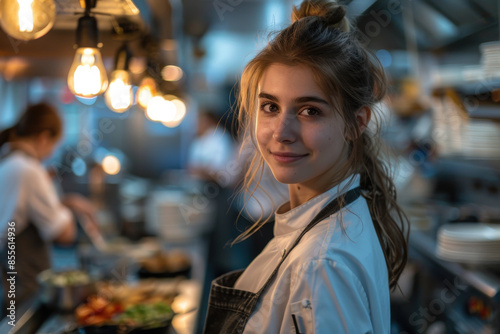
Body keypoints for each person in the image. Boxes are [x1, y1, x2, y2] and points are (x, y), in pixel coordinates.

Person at [203, 1, 409, 333]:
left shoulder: (318, 266)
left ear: (355, 124)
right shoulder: (337, 217)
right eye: (270, 106)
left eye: (310, 111)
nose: (281, 133)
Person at [0, 102, 98, 310]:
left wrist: (65, 201)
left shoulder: (9, 161)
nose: (51, 152)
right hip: (19, 280)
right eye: (54, 145)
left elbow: (23, 209)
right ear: (44, 137)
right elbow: (64, 234)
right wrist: (68, 209)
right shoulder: (29, 169)